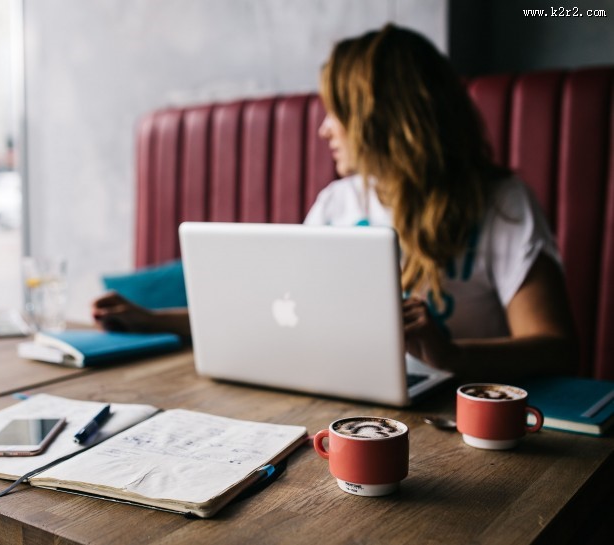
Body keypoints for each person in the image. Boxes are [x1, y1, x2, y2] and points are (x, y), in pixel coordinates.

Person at [93, 24, 577, 381]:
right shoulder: (337, 203)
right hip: (353, 400)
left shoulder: (501, 204)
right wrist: (152, 320)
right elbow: (274, 312)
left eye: (338, 112)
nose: (325, 129)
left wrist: (453, 356)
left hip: (459, 411)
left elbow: (557, 348)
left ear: (385, 119)